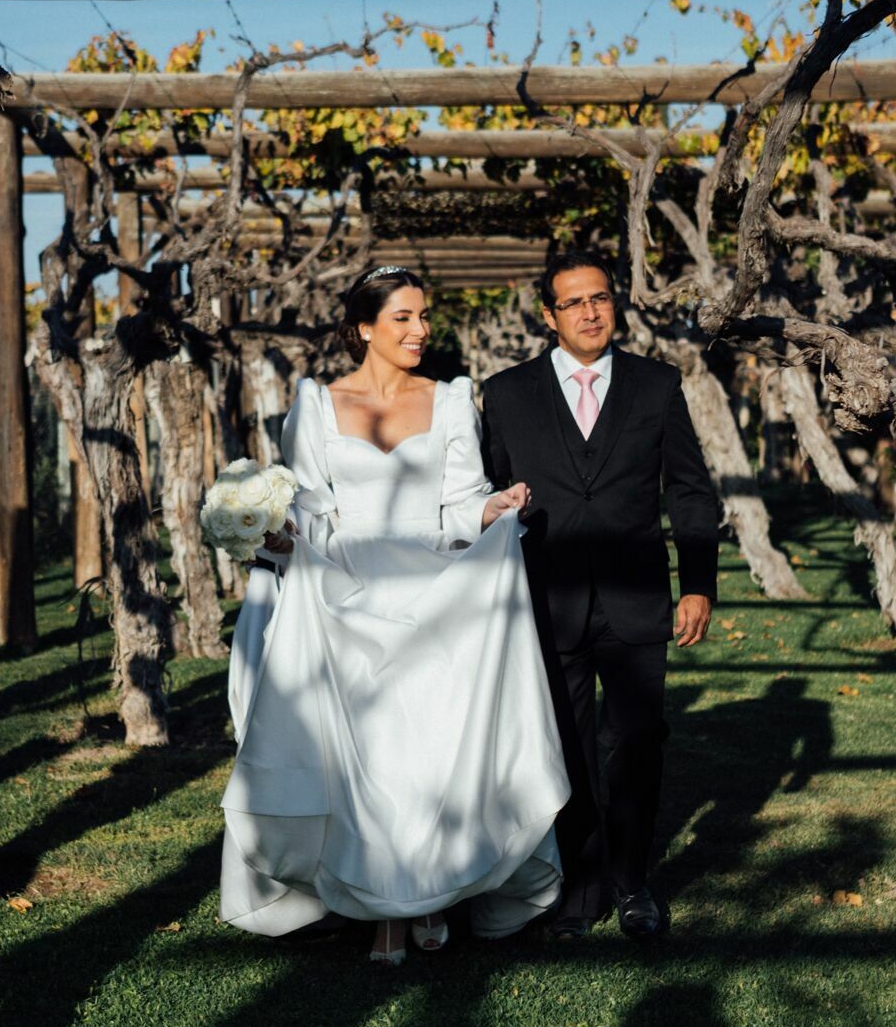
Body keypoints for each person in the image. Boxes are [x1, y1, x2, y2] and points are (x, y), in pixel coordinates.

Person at [221, 265, 572, 966]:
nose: (420, 330)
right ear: (363, 328)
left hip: (436, 594)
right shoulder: (316, 404)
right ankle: (384, 913)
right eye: (403, 318)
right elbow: (312, 508)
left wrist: (494, 508)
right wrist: (277, 535)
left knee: (426, 756)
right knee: (369, 758)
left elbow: (460, 502)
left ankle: (429, 898)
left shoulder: (450, 400)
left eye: (423, 316)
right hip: (345, 596)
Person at [479, 250, 721, 940]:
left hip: (637, 598)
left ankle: (633, 883)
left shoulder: (656, 384)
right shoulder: (506, 394)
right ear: (548, 315)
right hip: (546, 601)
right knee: (568, 747)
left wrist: (698, 583)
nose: (590, 312)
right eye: (575, 302)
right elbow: (484, 495)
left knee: (638, 742)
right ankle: (580, 890)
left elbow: (689, 489)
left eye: (601, 298)